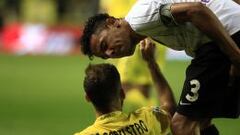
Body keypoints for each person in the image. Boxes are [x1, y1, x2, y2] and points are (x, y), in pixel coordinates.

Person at [80, 0, 240, 135]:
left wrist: (235, 56)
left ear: (112, 22)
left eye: (104, 44)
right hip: (221, 39)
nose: (111, 52)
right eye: (106, 55)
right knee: (202, 120)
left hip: (222, 39)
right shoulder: (145, 27)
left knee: (181, 126)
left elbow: (196, 10)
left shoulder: (141, 19)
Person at [74, 39, 176, 135]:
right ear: (122, 93)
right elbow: (170, 108)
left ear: (88, 98)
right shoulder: (147, 121)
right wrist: (151, 63)